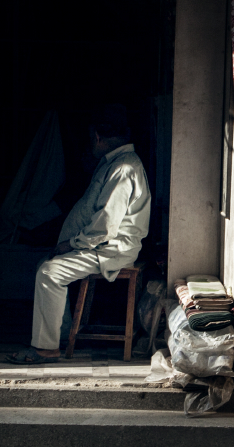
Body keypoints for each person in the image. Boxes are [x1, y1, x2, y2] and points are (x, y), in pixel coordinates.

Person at [9, 106, 152, 363]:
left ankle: (45, 349)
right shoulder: (115, 164)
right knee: (47, 266)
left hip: (112, 248)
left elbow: (105, 226)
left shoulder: (123, 168)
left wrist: (71, 244)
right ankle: (61, 334)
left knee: (49, 273)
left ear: (97, 137)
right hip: (102, 245)